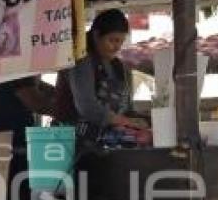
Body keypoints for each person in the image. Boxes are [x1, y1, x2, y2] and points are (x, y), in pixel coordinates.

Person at [54, 9, 148, 138]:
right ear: (96, 35)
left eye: (121, 41)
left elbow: (126, 108)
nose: (117, 47)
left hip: (105, 139)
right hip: (71, 141)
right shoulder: (81, 60)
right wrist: (125, 121)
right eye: (113, 40)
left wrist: (144, 119)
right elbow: (87, 107)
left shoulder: (117, 66)